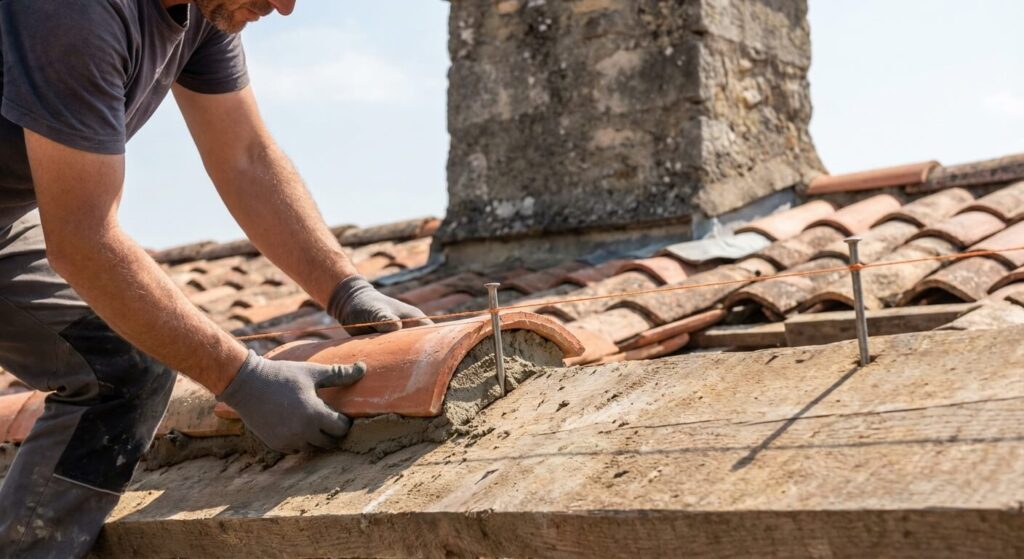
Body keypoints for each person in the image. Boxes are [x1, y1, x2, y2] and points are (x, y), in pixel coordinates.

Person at [0, 1, 430, 556]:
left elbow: (246, 156)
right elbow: (84, 239)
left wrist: (346, 289)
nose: (286, 5)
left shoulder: (206, 9)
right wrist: (241, 378)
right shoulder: (76, 12)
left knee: (125, 366)